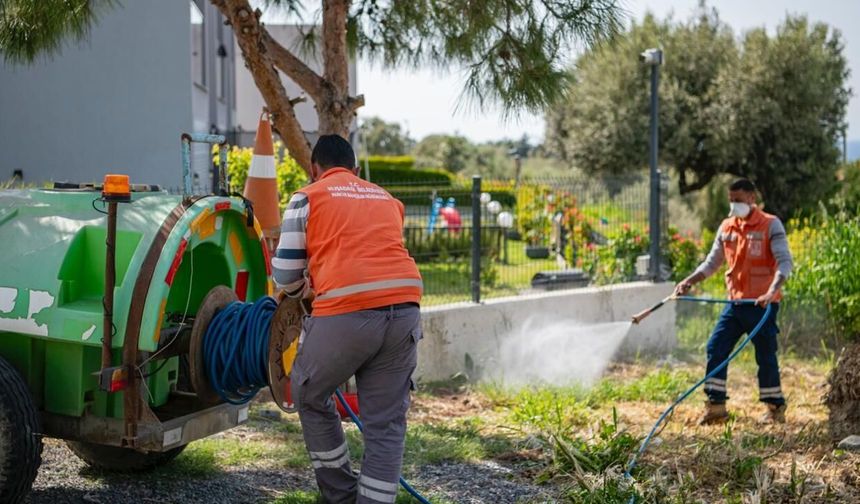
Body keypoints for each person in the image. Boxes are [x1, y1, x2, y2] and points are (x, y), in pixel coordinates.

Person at [271, 134, 423, 503]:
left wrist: (303, 291)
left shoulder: (308, 196)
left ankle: (338, 495)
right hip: (405, 310)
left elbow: (286, 274)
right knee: (385, 424)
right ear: (355, 170)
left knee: (309, 393)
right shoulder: (386, 198)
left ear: (314, 168)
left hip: (346, 313)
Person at [675, 178, 793, 425]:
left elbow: (785, 264)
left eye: (738, 200)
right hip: (734, 304)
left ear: (751, 198)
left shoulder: (771, 225)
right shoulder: (727, 227)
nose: (734, 205)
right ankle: (716, 407)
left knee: (765, 355)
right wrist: (689, 281)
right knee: (715, 348)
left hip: (762, 305)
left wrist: (771, 291)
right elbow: (712, 263)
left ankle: (774, 408)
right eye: (731, 200)